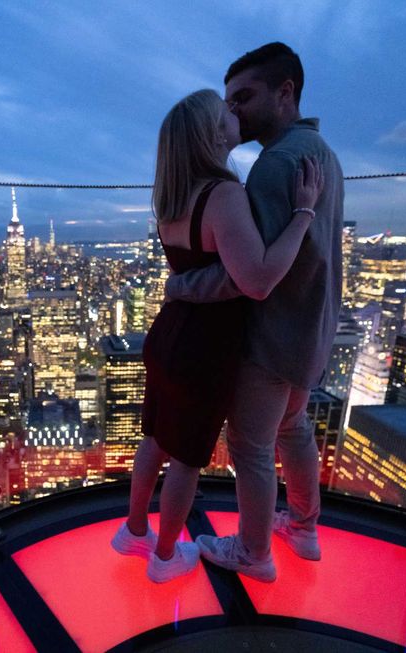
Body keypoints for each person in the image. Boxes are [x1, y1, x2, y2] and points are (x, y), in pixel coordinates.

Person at [110, 86, 324, 583]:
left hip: (169, 335)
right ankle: (164, 558)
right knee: (185, 458)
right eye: (223, 111)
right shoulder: (223, 195)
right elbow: (259, 277)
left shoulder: (170, 199)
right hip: (204, 346)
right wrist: (304, 213)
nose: (233, 114)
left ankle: (135, 531)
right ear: (211, 135)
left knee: (155, 440)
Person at [165, 43, 344, 582]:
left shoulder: (273, 167)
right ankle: (305, 529)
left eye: (244, 97)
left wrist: (182, 285)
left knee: (252, 449)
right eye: (228, 101)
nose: (233, 111)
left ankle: (253, 553)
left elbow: (252, 277)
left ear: (285, 93)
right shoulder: (322, 152)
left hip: (270, 338)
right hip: (312, 330)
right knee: (295, 432)